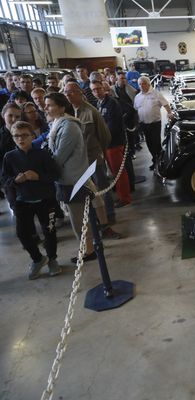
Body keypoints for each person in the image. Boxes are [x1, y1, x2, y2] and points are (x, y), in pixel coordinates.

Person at [0, 121, 60, 279]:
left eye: (24, 135)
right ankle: (38, 259)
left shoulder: (42, 154)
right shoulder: (10, 157)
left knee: (50, 231)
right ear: (13, 138)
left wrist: (38, 176)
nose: (21, 139)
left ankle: (53, 259)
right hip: (22, 200)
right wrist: (15, 181)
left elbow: (55, 175)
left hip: (45, 199)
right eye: (16, 136)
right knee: (22, 234)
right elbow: (4, 179)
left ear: (32, 136)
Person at [63, 82, 122, 238]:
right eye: (65, 93)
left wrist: (98, 152)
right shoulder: (66, 113)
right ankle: (95, 220)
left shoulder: (91, 111)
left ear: (79, 92)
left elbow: (105, 136)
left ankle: (108, 218)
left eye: (70, 92)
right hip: (77, 163)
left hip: (93, 157)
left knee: (101, 188)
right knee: (88, 192)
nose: (68, 95)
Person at [44, 92, 96, 263]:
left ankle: (88, 250)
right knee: (78, 216)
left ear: (61, 107)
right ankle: (89, 246)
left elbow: (59, 156)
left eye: (49, 105)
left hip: (73, 179)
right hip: (67, 178)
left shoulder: (69, 127)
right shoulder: (57, 123)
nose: (46, 108)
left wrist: (43, 167)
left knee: (78, 218)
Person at [91, 80, 131, 207]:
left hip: (114, 143)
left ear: (104, 89)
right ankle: (121, 195)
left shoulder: (112, 103)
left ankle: (125, 198)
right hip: (106, 144)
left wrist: (101, 137)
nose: (97, 92)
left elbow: (112, 126)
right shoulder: (99, 103)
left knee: (119, 171)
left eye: (99, 88)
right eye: (94, 90)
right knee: (114, 172)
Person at [134, 75, 172, 170]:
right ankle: (155, 160)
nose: (142, 86)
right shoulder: (137, 97)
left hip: (155, 123)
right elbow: (136, 110)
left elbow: (166, 104)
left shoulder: (156, 94)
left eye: (144, 84)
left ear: (148, 84)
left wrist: (170, 113)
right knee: (149, 144)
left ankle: (160, 162)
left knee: (156, 143)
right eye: (140, 84)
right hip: (143, 124)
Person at [1, 103, 22, 208]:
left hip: (28, 179)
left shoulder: (26, 132)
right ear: (2, 115)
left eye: (17, 116)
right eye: (10, 115)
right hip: (10, 182)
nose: (14, 119)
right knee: (18, 209)